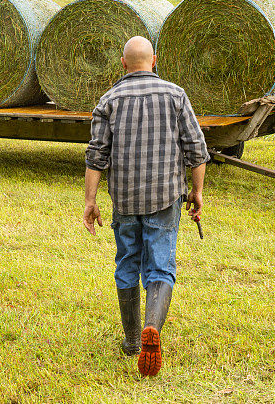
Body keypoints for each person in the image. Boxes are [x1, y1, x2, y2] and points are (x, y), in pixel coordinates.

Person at [82, 35, 209, 377]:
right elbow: (197, 150)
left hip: (124, 200)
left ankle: (132, 341)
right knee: (160, 267)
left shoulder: (108, 100)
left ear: (123, 63)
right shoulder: (175, 94)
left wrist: (90, 201)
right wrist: (196, 192)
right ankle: (153, 326)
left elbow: (96, 157)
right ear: (154, 61)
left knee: (127, 263)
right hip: (165, 197)